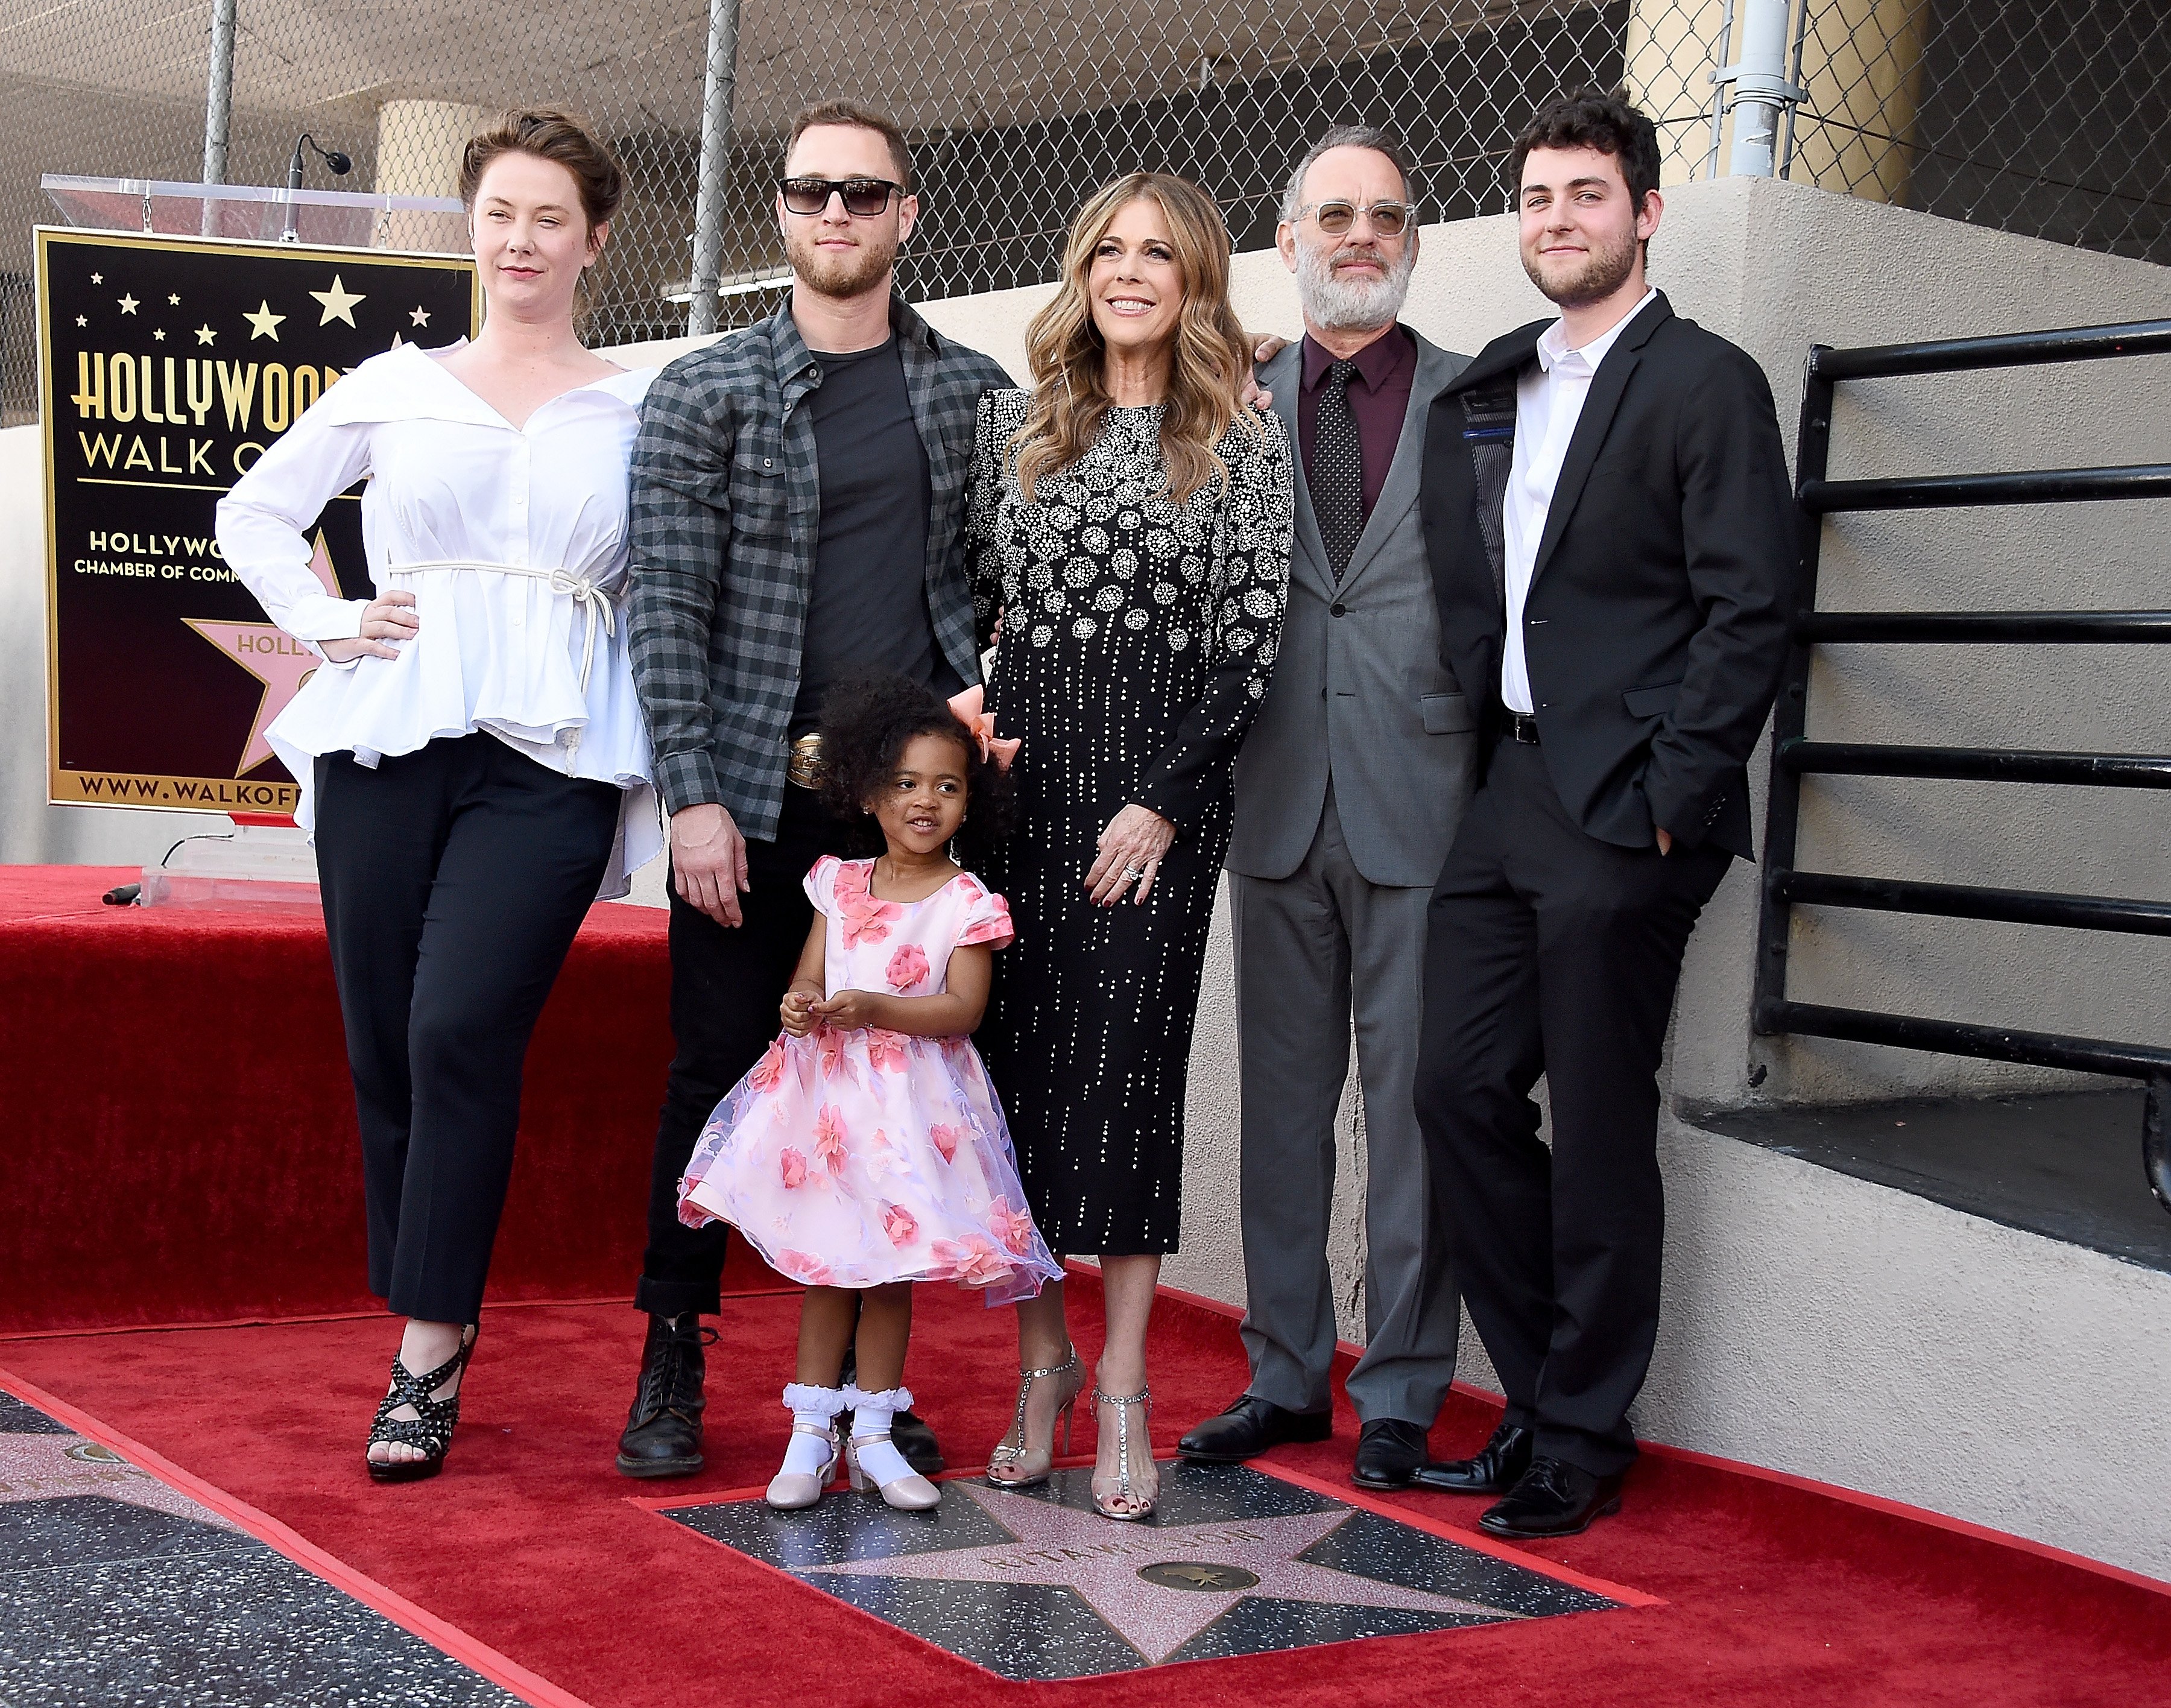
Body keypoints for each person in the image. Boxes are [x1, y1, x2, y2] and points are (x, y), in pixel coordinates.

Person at [216, 110, 660, 1481]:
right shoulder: (395, 382)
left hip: (555, 754)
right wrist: (328, 619)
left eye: (548, 219)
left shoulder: (643, 402)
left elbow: (664, 586)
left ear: (594, 240)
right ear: (470, 228)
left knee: (461, 1026)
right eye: (499, 215)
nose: (520, 240)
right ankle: (434, 1301)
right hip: (389, 737)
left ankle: (427, 1348)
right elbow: (254, 510)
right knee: (384, 1042)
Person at [1409, 89, 1795, 1537]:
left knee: (1602, 1120)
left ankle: (1581, 1436)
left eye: (1584, 195)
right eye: (1536, 199)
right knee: (1453, 1088)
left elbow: (1750, 609)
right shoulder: (1502, 378)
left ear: (1643, 212)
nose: (1556, 220)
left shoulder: (1704, 381)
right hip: (1506, 787)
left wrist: (1671, 807)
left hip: (1627, 809)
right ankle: (1539, 1391)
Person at [622, 100, 1011, 1479]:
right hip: (754, 793)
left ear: (909, 214)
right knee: (718, 1073)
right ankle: (674, 1350)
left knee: (903, 1093)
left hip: (912, 810)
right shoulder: (703, 392)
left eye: (866, 192)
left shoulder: (972, 394)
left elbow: (1022, 563)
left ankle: (871, 1387)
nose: (837, 213)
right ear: (778, 214)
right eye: (811, 192)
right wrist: (694, 796)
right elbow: (664, 597)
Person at [969, 171, 1293, 1521]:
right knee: (1018, 1083)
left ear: (1196, 276)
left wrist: (1161, 800)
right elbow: (974, 605)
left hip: (1158, 812)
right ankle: (1040, 1367)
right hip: (1029, 796)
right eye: (1109, 247)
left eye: (1159, 253)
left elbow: (1249, 648)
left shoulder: (1238, 436)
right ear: (1081, 267)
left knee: (1127, 1084)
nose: (1131, 270)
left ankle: (1124, 1386)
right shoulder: (1018, 424)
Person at [1177, 126, 1476, 1493]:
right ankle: (1287, 1374)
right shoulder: (1224, 401)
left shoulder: (1489, 404)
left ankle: (1405, 1388)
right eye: (1334, 215)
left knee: (1416, 1112)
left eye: (1386, 216)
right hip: (1277, 799)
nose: (1361, 234)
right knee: (1281, 1111)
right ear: (1287, 241)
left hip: (1430, 806)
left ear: (1411, 243)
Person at [676, 674, 1061, 1511]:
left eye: (948, 786)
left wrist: (875, 1008)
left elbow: (961, 1010)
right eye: (906, 784)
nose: (926, 802)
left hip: (914, 1115)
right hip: (831, 1113)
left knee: (888, 1273)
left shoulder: (967, 903)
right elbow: (811, 977)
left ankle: (877, 1438)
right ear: (868, 794)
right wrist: (800, 1004)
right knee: (829, 1268)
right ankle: (810, 1438)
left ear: (972, 803)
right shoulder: (839, 884)